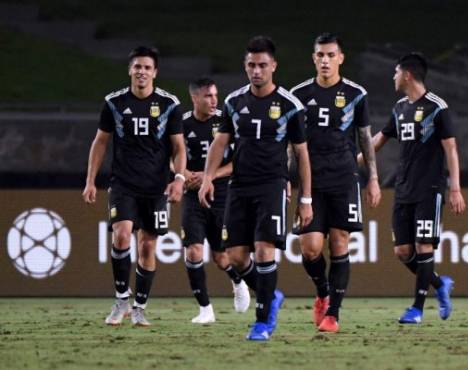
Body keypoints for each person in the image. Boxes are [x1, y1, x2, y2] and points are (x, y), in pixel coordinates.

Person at [199, 36, 313, 341]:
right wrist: (208, 177)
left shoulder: (290, 105)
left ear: (273, 66)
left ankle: (262, 322)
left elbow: (301, 153)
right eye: (251, 65)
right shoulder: (234, 102)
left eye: (263, 65)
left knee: (264, 251)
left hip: (272, 186)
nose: (257, 70)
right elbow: (220, 142)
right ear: (245, 66)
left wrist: (305, 199)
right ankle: (271, 295)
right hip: (239, 187)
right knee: (235, 257)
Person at [82, 46, 186, 326]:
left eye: (147, 67)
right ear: (130, 70)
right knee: (122, 236)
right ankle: (120, 299)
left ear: (155, 72)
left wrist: (179, 178)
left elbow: (178, 147)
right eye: (137, 67)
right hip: (123, 184)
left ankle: (139, 307)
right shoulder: (114, 103)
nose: (141, 71)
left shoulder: (169, 105)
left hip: (155, 188)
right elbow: (100, 142)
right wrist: (91, 180)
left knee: (147, 248)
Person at [359, 52, 466, 324]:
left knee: (423, 245)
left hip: (429, 189)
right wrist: (350, 161)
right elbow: (378, 141)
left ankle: (417, 309)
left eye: (395, 72)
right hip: (403, 189)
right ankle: (440, 285)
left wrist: (455, 188)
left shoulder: (437, 107)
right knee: (403, 252)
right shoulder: (399, 108)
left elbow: (451, 149)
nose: (392, 77)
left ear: (407, 74)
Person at [290, 33, 381, 333]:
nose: (325, 60)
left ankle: (334, 315)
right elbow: (290, 145)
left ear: (341, 58)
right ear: (313, 58)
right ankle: (321, 291)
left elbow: (365, 138)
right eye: (320, 55)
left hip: (344, 179)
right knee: (311, 248)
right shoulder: (298, 95)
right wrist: (288, 182)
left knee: (340, 242)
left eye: (331, 55)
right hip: (310, 182)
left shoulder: (356, 94)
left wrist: (373, 179)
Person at [181, 77, 250, 324]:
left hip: (222, 195)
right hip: (192, 196)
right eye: (208, 96)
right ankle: (205, 309)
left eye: (215, 95)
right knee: (193, 251)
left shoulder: (225, 120)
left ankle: (238, 280)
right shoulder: (182, 123)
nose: (214, 100)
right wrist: (185, 175)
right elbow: (172, 155)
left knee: (222, 258)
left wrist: (209, 176)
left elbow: (238, 160)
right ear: (195, 98)